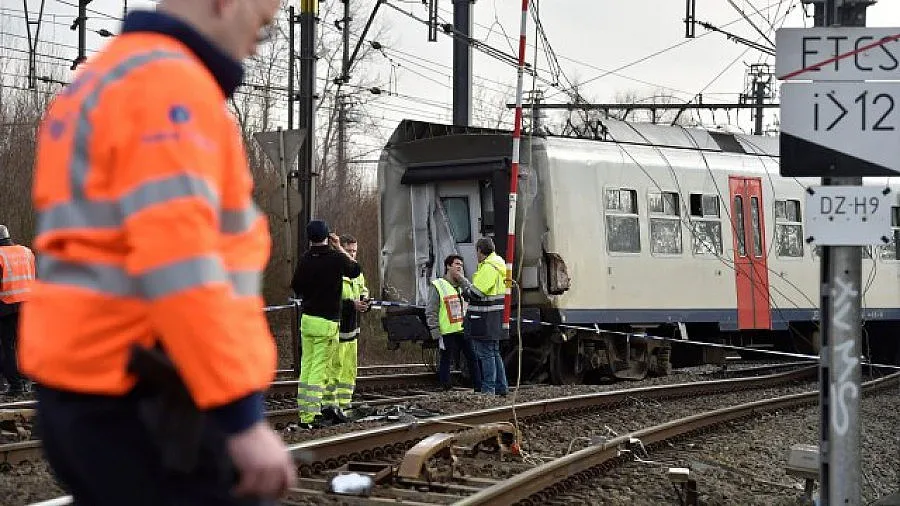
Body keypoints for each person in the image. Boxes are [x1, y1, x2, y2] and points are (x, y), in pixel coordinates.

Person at [20, 1, 297, 504]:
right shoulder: (171, 87)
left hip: (80, 389)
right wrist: (240, 417)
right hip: (153, 396)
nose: (260, 41)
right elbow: (180, 263)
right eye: (263, 22)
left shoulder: (96, 81)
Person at [291, 221, 360, 428]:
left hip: (307, 320)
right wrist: (339, 247)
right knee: (319, 369)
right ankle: (312, 415)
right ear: (327, 237)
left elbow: (296, 287)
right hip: (327, 322)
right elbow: (355, 270)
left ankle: (304, 413)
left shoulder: (304, 260)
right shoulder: (335, 258)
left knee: (306, 366)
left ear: (309, 238)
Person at [321, 234, 369, 418]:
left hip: (352, 329)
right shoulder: (332, 270)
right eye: (348, 251)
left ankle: (345, 404)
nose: (351, 255)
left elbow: (363, 290)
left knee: (349, 369)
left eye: (354, 251)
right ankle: (329, 406)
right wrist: (352, 305)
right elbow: (328, 301)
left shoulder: (357, 272)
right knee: (334, 368)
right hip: (336, 329)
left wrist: (366, 303)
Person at [460, 238, 509, 397]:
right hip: (495, 317)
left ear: (480, 251)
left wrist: (465, 291)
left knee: (486, 353)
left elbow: (477, 292)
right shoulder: (500, 264)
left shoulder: (489, 267)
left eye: (477, 251)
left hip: (484, 318)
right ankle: (502, 387)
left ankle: (489, 390)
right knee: (494, 352)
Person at [425, 254, 481, 392]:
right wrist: (435, 330)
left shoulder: (462, 285)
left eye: (461, 265)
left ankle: (479, 386)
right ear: (448, 266)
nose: (459, 267)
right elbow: (431, 310)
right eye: (456, 264)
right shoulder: (438, 285)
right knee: (446, 359)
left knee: (472, 357)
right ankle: (446, 387)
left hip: (462, 328)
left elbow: (473, 293)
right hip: (446, 330)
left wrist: (462, 279)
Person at [0, 225, 35, 398]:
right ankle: (27, 380)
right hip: (28, 303)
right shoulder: (26, 252)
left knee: (7, 346)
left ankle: (15, 385)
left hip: (6, 305)